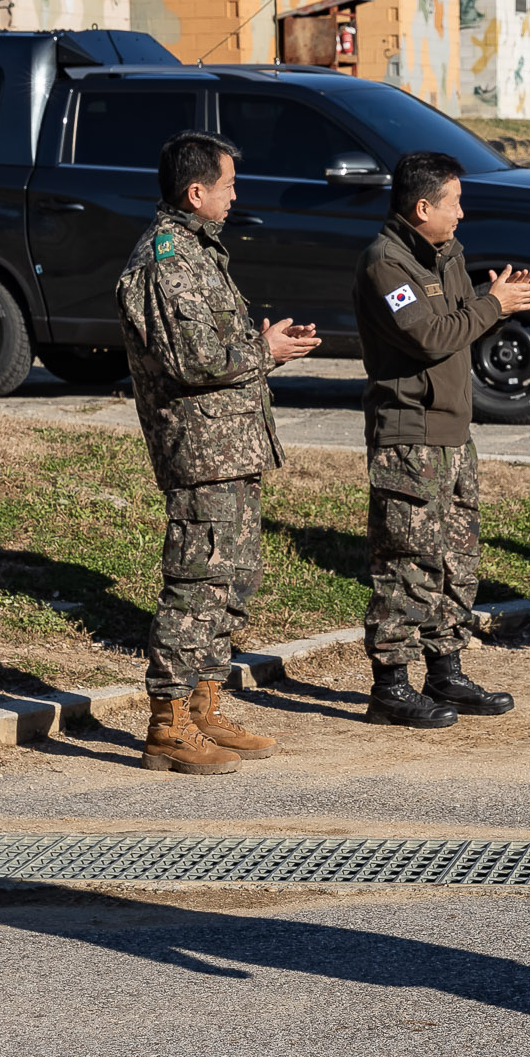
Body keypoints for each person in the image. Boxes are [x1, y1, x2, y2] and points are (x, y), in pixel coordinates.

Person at [116, 132, 321, 772]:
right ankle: (168, 721)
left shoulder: (204, 254)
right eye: (228, 184)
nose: (236, 195)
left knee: (231, 580)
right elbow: (191, 359)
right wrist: (267, 353)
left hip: (231, 445)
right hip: (200, 451)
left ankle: (204, 701)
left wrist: (262, 342)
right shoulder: (166, 259)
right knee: (195, 579)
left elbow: (216, 346)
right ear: (195, 191)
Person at [353, 151, 530, 728]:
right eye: (453, 203)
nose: (462, 214)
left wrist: (498, 300)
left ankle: (446, 669)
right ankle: (390, 685)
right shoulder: (384, 266)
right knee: (407, 561)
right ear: (422, 207)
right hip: (409, 436)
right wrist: (493, 305)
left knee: (454, 561)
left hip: (455, 434)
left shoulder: (448, 255)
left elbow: (464, 319)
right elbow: (432, 337)